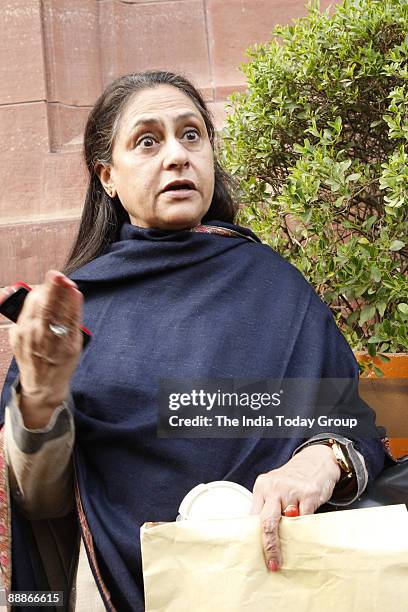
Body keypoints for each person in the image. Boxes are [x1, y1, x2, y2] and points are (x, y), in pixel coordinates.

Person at [0, 71, 388, 612]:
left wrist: (319, 463)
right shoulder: (72, 312)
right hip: (126, 593)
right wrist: (41, 393)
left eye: (191, 135)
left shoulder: (276, 287)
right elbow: (39, 505)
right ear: (107, 175)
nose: (177, 156)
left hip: (291, 585)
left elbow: (354, 425)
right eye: (147, 141)